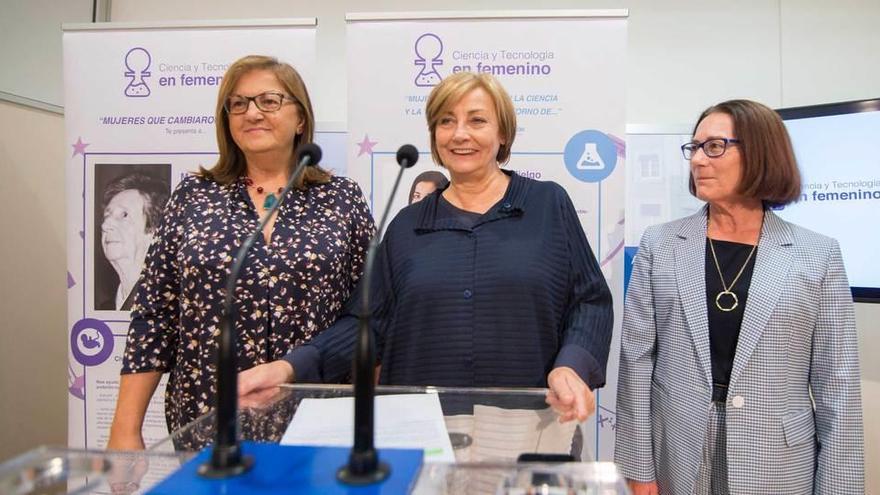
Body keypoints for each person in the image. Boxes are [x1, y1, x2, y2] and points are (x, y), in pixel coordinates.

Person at [239, 72, 613, 423]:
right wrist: (290, 367)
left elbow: (590, 301)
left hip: (529, 423)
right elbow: (366, 325)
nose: (459, 134)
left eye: (477, 121)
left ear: (503, 134)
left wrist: (572, 365)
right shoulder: (407, 225)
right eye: (446, 121)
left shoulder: (548, 204)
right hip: (423, 427)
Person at [107, 55, 375, 450]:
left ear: (300, 118)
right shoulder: (192, 197)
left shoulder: (341, 199)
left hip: (316, 417)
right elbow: (154, 317)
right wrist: (125, 429)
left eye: (269, 101)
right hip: (209, 417)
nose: (252, 113)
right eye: (238, 103)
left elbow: (367, 314)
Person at [615, 99, 864, 494]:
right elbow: (636, 362)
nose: (697, 160)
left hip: (778, 462)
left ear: (761, 153)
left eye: (713, 147)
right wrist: (638, 467)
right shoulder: (660, 244)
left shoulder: (818, 254)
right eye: (693, 148)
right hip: (677, 454)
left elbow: (838, 384)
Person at [98, 172, 169, 311]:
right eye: (107, 215)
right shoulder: (104, 310)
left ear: (154, 231)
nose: (105, 225)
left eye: (124, 215)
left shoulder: (165, 309)